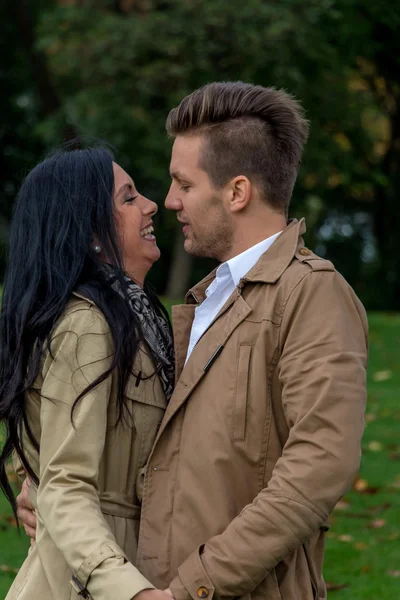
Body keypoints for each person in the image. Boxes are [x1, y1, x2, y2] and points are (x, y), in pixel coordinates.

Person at [17, 82, 368, 600]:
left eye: (184, 182)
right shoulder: (198, 307)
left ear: (237, 192)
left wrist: (194, 588)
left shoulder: (312, 294)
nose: (169, 199)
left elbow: (317, 469)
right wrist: (47, 489)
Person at [0, 146, 175, 600]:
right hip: (94, 579)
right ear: (91, 229)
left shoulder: (139, 323)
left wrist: (34, 482)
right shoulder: (88, 325)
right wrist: (131, 592)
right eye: (129, 197)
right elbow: (67, 483)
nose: (151, 205)